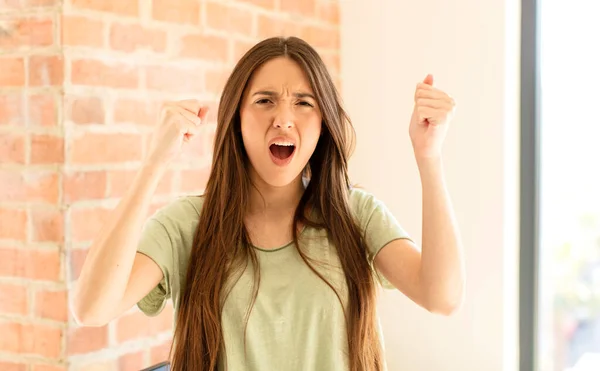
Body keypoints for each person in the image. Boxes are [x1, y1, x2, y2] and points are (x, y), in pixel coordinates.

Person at [71, 36, 465, 371]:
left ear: (323, 123)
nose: (283, 119)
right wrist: (152, 163)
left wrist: (429, 157)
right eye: (264, 101)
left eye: (304, 103)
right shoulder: (186, 225)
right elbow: (91, 308)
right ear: (237, 119)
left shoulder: (354, 215)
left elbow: (442, 297)